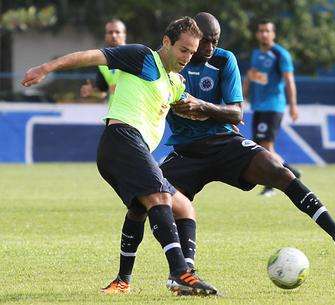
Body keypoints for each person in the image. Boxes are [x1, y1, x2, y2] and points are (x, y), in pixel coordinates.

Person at [104, 12, 335, 294]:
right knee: (141, 204)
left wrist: (201, 106)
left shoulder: (223, 60)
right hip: (186, 151)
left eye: (214, 42)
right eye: (204, 42)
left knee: (279, 170)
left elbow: (236, 113)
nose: (209, 49)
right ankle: (129, 279)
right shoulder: (169, 65)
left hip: (224, 142)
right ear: (190, 40)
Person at [21, 16, 218, 297]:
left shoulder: (174, 82)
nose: (187, 57)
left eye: (192, 52)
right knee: (159, 198)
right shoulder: (141, 57)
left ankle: (127, 280)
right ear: (166, 42)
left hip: (133, 150)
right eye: (183, 50)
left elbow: (185, 105)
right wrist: (46, 67)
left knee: (180, 208)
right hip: (122, 139)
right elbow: (90, 56)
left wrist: (211, 115)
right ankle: (179, 274)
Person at [243, 19, 301, 197]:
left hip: (274, 106)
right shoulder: (256, 54)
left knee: (265, 146)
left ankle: (271, 183)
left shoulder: (280, 54)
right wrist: (245, 91)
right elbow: (256, 77)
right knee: (261, 146)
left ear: (273, 33)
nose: (264, 34)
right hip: (258, 106)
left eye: (267, 31)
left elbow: (289, 80)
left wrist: (293, 105)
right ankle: (292, 172)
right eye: (261, 31)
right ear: (257, 34)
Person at [80, 19, 127, 105]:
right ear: (105, 36)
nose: (114, 35)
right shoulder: (102, 64)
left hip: (134, 113)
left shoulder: (134, 56)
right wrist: (92, 92)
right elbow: (102, 93)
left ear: (124, 35)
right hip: (113, 113)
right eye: (110, 32)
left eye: (117, 32)